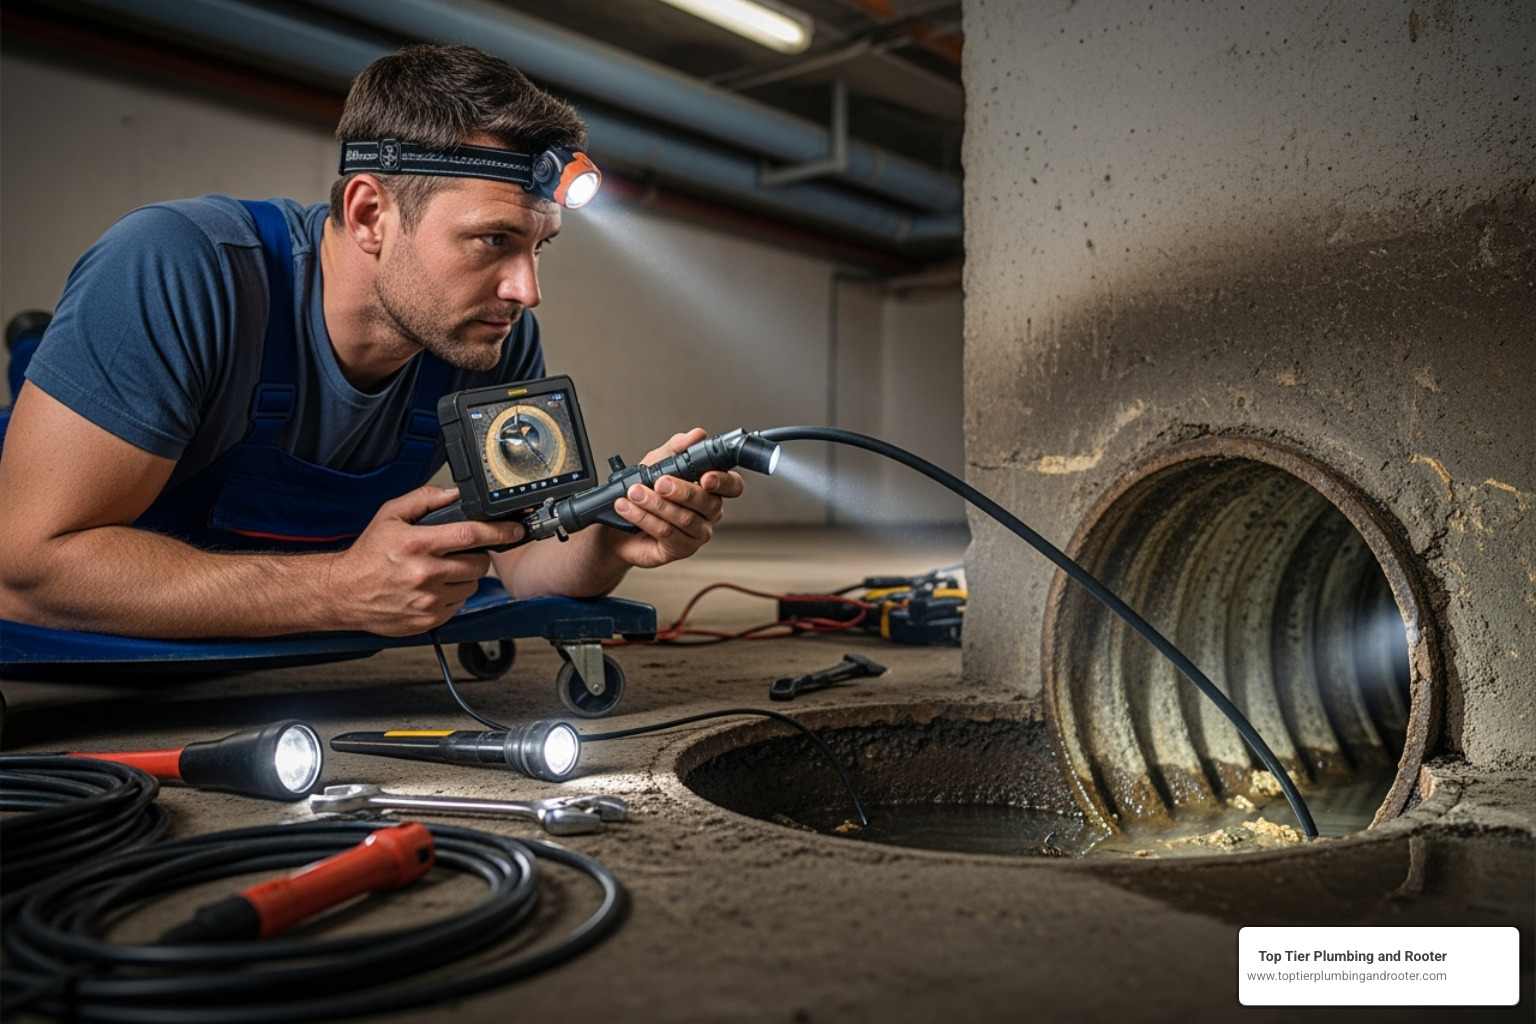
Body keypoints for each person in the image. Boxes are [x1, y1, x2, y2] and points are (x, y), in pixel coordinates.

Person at [0, 44, 743, 639]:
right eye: (492, 240)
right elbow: (26, 567)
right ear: (368, 215)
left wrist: (609, 533)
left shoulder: (487, 342)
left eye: (539, 247)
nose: (525, 289)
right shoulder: (178, 268)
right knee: (44, 378)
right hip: (151, 360)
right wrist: (339, 589)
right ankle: (38, 345)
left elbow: (520, 559)